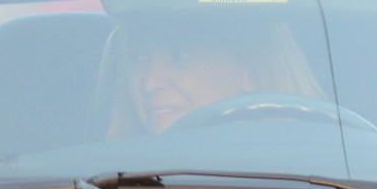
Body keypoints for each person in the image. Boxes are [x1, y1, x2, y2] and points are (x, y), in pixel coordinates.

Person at [104, 16, 323, 137]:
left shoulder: (323, 179)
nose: (149, 82)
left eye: (180, 56)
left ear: (250, 72)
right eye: (138, 58)